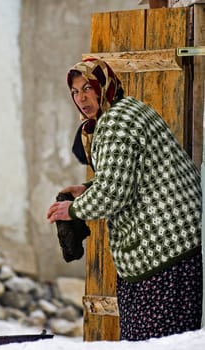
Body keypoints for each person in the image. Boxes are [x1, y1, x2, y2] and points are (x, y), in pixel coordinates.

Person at [47, 58, 202, 341]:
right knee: (176, 341)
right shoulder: (129, 108)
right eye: (75, 92)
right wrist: (87, 188)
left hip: (162, 253)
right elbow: (127, 176)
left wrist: (74, 210)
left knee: (155, 343)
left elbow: (113, 193)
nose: (81, 98)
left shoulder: (115, 123)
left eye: (87, 88)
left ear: (103, 86)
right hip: (179, 245)